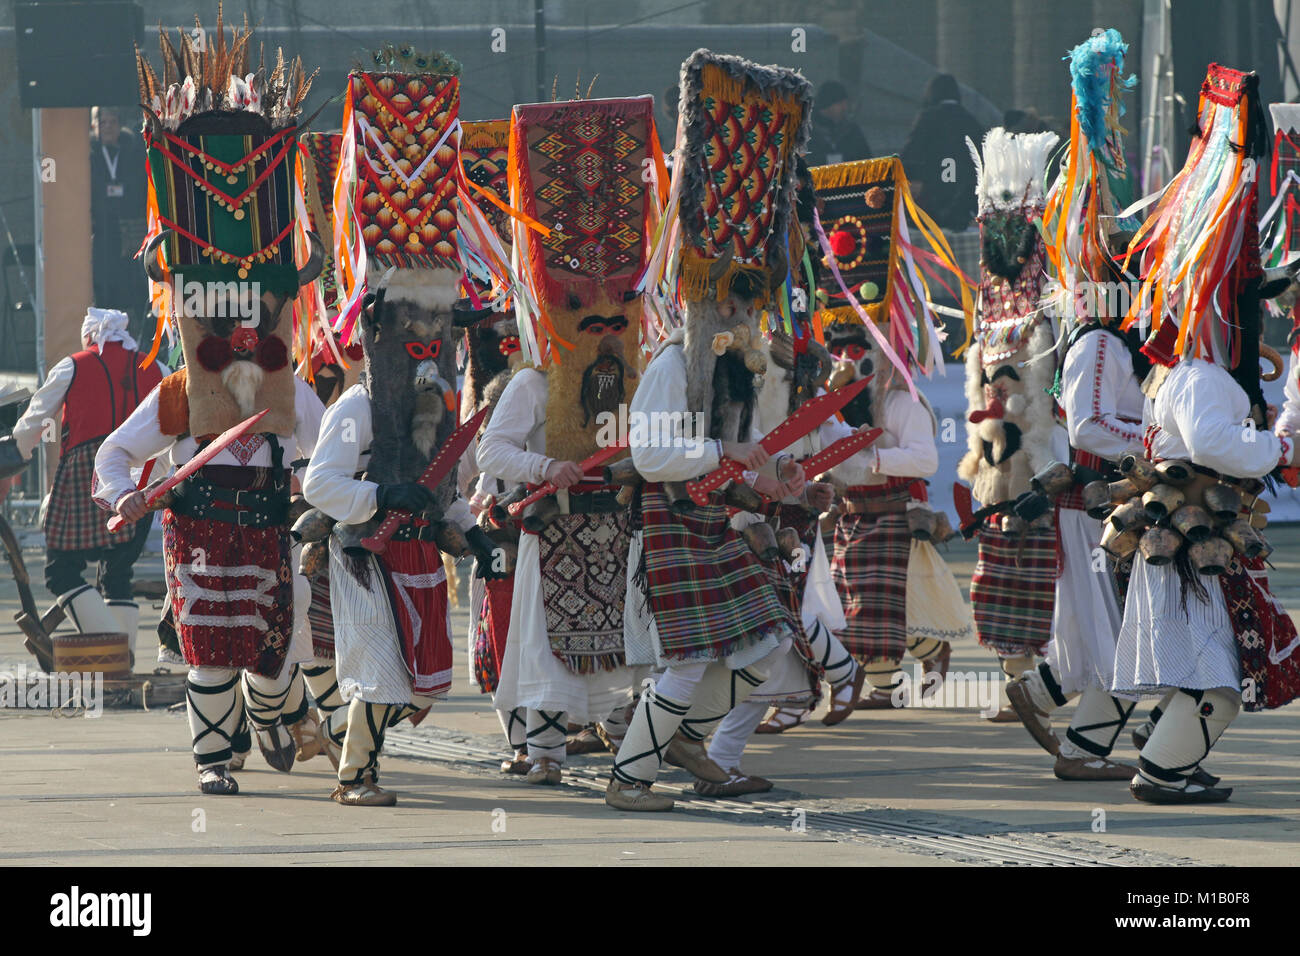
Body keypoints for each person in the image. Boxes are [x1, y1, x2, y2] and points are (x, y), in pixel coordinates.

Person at [97, 16, 329, 796]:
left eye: (251, 327)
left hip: (265, 524)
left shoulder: (289, 388)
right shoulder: (177, 393)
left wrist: (319, 495)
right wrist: (122, 491)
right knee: (205, 647)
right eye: (222, 330)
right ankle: (211, 762)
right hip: (195, 523)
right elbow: (112, 454)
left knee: (268, 650)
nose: (238, 339)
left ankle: (279, 713)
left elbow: (328, 458)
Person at [605, 50, 811, 812]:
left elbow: (734, 456)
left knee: (767, 644)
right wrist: (725, 453)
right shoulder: (670, 365)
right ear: (707, 303)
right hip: (672, 524)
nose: (746, 317)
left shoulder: (733, 371)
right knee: (690, 664)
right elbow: (648, 452)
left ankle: (679, 738)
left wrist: (769, 478)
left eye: (750, 306)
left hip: (716, 524)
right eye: (736, 304)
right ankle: (633, 777)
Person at [304, 50, 501, 807]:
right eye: (412, 329)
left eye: (438, 328)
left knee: (412, 680)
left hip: (417, 556)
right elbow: (323, 486)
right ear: (380, 335)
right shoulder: (357, 406)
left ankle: (354, 757)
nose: (429, 345)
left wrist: (470, 533)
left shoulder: (440, 403)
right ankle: (354, 776)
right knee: (382, 674)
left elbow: (443, 481)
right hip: (362, 553)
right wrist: (380, 492)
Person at [1110, 62, 1300, 804]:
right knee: (1217, 682)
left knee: (1208, 671)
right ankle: (1160, 771)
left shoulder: (1187, 372)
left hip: (1182, 542)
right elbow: (1218, 447)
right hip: (1187, 544)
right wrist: (1278, 448)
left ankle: (1170, 761)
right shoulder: (1205, 377)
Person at [476, 95, 663, 788]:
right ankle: (547, 752)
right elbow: (493, 454)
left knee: (627, 641)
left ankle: (626, 743)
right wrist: (547, 465)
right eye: (590, 319)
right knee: (549, 649)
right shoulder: (535, 383)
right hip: (554, 530)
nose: (607, 331)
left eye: (618, 318)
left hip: (619, 526)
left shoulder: (629, 376)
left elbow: (641, 444)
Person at [1002, 31, 1149, 779]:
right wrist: (1155, 436)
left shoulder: (1116, 338)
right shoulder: (1095, 340)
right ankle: (1080, 735)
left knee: (1106, 637)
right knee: (1112, 639)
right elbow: (1090, 426)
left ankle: (1058, 713)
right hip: (1092, 504)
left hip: (1102, 504)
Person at [958, 127, 1063, 722]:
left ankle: (1038, 690)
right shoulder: (988, 315)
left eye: (1011, 223)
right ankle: (1016, 690)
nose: (1001, 239)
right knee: (996, 586)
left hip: (1032, 477)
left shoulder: (1043, 322)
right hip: (996, 473)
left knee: (1035, 589)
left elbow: (1043, 403)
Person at [0, 308, 164, 654]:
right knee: (118, 573)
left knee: (60, 572)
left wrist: (19, 451)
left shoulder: (74, 364)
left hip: (87, 471)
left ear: (90, 337)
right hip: (141, 477)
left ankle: (114, 656)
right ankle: (122, 665)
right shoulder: (157, 368)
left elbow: (37, 414)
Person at [900, 74, 985, 229]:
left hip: (930, 197)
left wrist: (915, 176)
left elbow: (910, 154)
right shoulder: (971, 121)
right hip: (963, 202)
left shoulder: (927, 118)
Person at [90, 107, 146, 321]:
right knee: (106, 286)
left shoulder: (131, 151)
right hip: (103, 232)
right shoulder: (89, 155)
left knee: (135, 286)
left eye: (112, 122)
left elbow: (139, 186)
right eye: (102, 122)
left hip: (130, 228)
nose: (107, 127)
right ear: (94, 126)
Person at [805, 80, 871, 167]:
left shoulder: (852, 132)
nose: (845, 108)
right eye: (840, 104)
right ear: (828, 105)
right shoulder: (805, 133)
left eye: (845, 104)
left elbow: (867, 163)